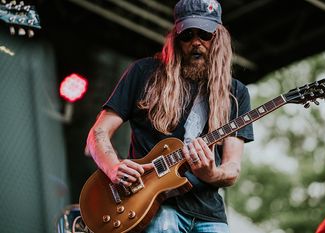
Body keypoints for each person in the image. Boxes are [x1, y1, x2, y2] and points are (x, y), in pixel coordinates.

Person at [86, 0, 254, 232]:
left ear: (219, 37)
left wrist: (212, 173)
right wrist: (113, 168)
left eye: (205, 34)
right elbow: (98, 132)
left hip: (209, 213)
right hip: (153, 206)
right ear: (176, 38)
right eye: (187, 35)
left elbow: (232, 168)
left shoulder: (235, 93)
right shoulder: (143, 73)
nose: (196, 42)